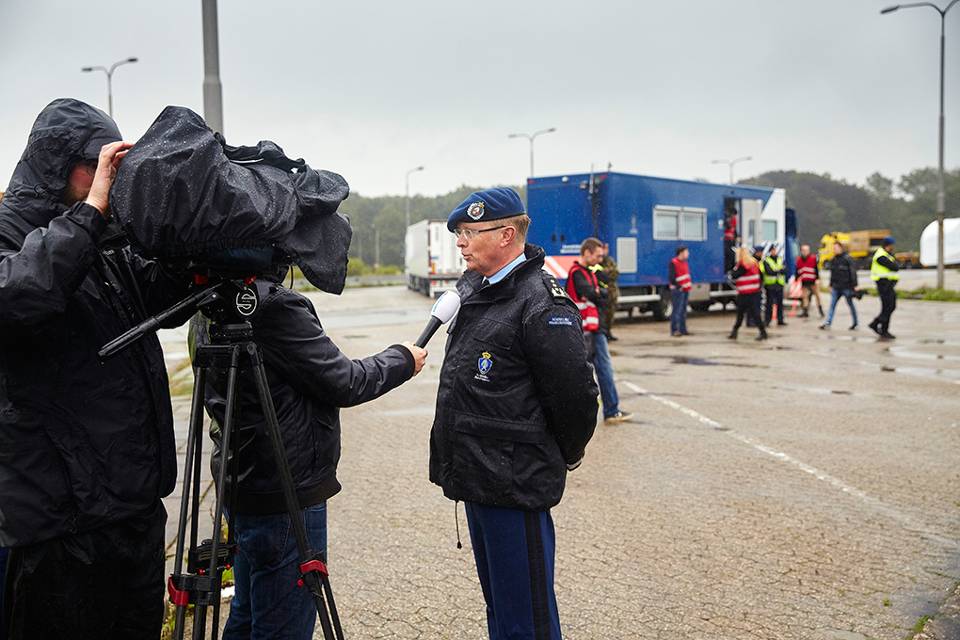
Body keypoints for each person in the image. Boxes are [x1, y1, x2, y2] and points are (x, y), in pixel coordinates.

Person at [0, 99, 190, 638]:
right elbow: (19, 295)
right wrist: (90, 214)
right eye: (97, 164)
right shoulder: (16, 231)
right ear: (58, 164)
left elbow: (157, 294)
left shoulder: (100, 239)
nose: (108, 176)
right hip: (60, 521)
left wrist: (194, 247)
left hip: (131, 506)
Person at [194, 273, 428, 639]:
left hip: (241, 484)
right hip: (287, 494)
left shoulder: (210, 299)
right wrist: (402, 359)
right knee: (280, 625)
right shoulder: (275, 305)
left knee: (248, 611)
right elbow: (344, 381)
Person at [430, 187, 599, 640]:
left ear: (507, 235)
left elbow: (576, 397)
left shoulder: (539, 301)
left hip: (514, 484)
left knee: (528, 620)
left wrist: (563, 454)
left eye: (470, 232)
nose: (461, 242)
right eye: (459, 233)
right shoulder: (481, 293)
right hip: (479, 480)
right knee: (501, 610)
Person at [567, 238, 633, 424]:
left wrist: (601, 294)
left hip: (593, 329)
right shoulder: (577, 273)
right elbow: (593, 294)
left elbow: (602, 293)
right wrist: (600, 294)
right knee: (599, 371)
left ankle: (605, 411)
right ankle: (609, 411)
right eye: (597, 256)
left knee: (592, 372)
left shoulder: (589, 272)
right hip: (589, 331)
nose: (600, 260)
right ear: (586, 253)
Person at [728, 247, 768, 341]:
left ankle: (735, 332)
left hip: (745, 293)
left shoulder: (743, 265)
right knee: (754, 314)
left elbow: (735, 275)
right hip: (754, 292)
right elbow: (761, 277)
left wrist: (731, 272)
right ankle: (762, 332)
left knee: (741, 314)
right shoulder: (754, 263)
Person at [820, 241, 859, 330]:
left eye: (836, 248)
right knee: (832, 305)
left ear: (841, 248)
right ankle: (828, 323)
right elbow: (833, 274)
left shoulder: (848, 259)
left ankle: (855, 323)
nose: (834, 250)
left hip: (846, 287)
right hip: (836, 287)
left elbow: (853, 272)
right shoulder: (834, 260)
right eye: (834, 248)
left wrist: (855, 285)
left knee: (851, 305)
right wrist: (830, 285)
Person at [868, 236, 900, 340]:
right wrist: (895, 264)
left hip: (888, 285)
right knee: (888, 307)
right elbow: (895, 267)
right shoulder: (880, 256)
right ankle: (881, 328)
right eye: (891, 245)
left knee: (890, 306)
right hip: (884, 285)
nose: (892, 247)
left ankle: (878, 325)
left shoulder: (886, 255)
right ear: (887, 245)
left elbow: (896, 265)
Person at [590, 242, 620, 341]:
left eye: (606, 248)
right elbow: (593, 274)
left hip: (611, 292)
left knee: (610, 313)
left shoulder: (609, 260)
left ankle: (608, 332)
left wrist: (604, 273)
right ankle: (603, 333)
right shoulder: (595, 261)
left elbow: (615, 273)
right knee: (602, 315)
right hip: (600, 292)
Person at [761, 244, 788, 326]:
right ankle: (767, 320)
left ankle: (780, 320)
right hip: (770, 285)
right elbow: (769, 272)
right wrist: (779, 270)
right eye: (772, 250)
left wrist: (776, 271)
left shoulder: (781, 259)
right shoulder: (766, 260)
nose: (774, 251)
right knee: (769, 304)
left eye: (775, 250)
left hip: (779, 284)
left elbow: (785, 270)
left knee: (780, 304)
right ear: (770, 251)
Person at [668, 245, 692, 337]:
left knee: (683, 311)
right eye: (686, 252)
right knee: (677, 310)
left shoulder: (684, 263)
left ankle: (683, 329)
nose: (688, 254)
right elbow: (672, 278)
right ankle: (674, 330)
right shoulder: (673, 263)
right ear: (681, 253)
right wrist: (679, 286)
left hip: (685, 290)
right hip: (678, 290)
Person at [795, 244, 824, 318]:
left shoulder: (813, 258)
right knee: (805, 296)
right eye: (803, 250)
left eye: (806, 250)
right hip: (804, 281)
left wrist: (817, 279)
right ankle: (805, 311)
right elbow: (797, 270)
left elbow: (816, 269)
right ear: (801, 251)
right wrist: (796, 279)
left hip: (813, 281)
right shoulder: (799, 260)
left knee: (817, 295)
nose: (805, 252)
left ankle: (820, 310)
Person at [723, 208, 737, 272]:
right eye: (733, 215)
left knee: (732, 255)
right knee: (730, 255)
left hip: (730, 241)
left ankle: (730, 270)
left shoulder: (733, 220)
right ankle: (728, 270)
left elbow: (734, 231)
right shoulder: (726, 219)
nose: (734, 217)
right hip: (726, 241)